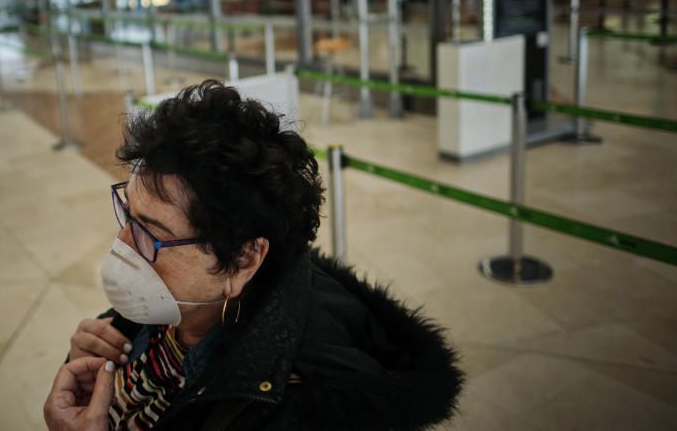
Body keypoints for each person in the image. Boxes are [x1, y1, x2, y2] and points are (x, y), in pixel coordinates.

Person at [44, 81, 463, 430]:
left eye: (152, 232)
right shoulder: (171, 309)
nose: (123, 243)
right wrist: (90, 364)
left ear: (244, 260)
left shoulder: (295, 410)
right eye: (128, 214)